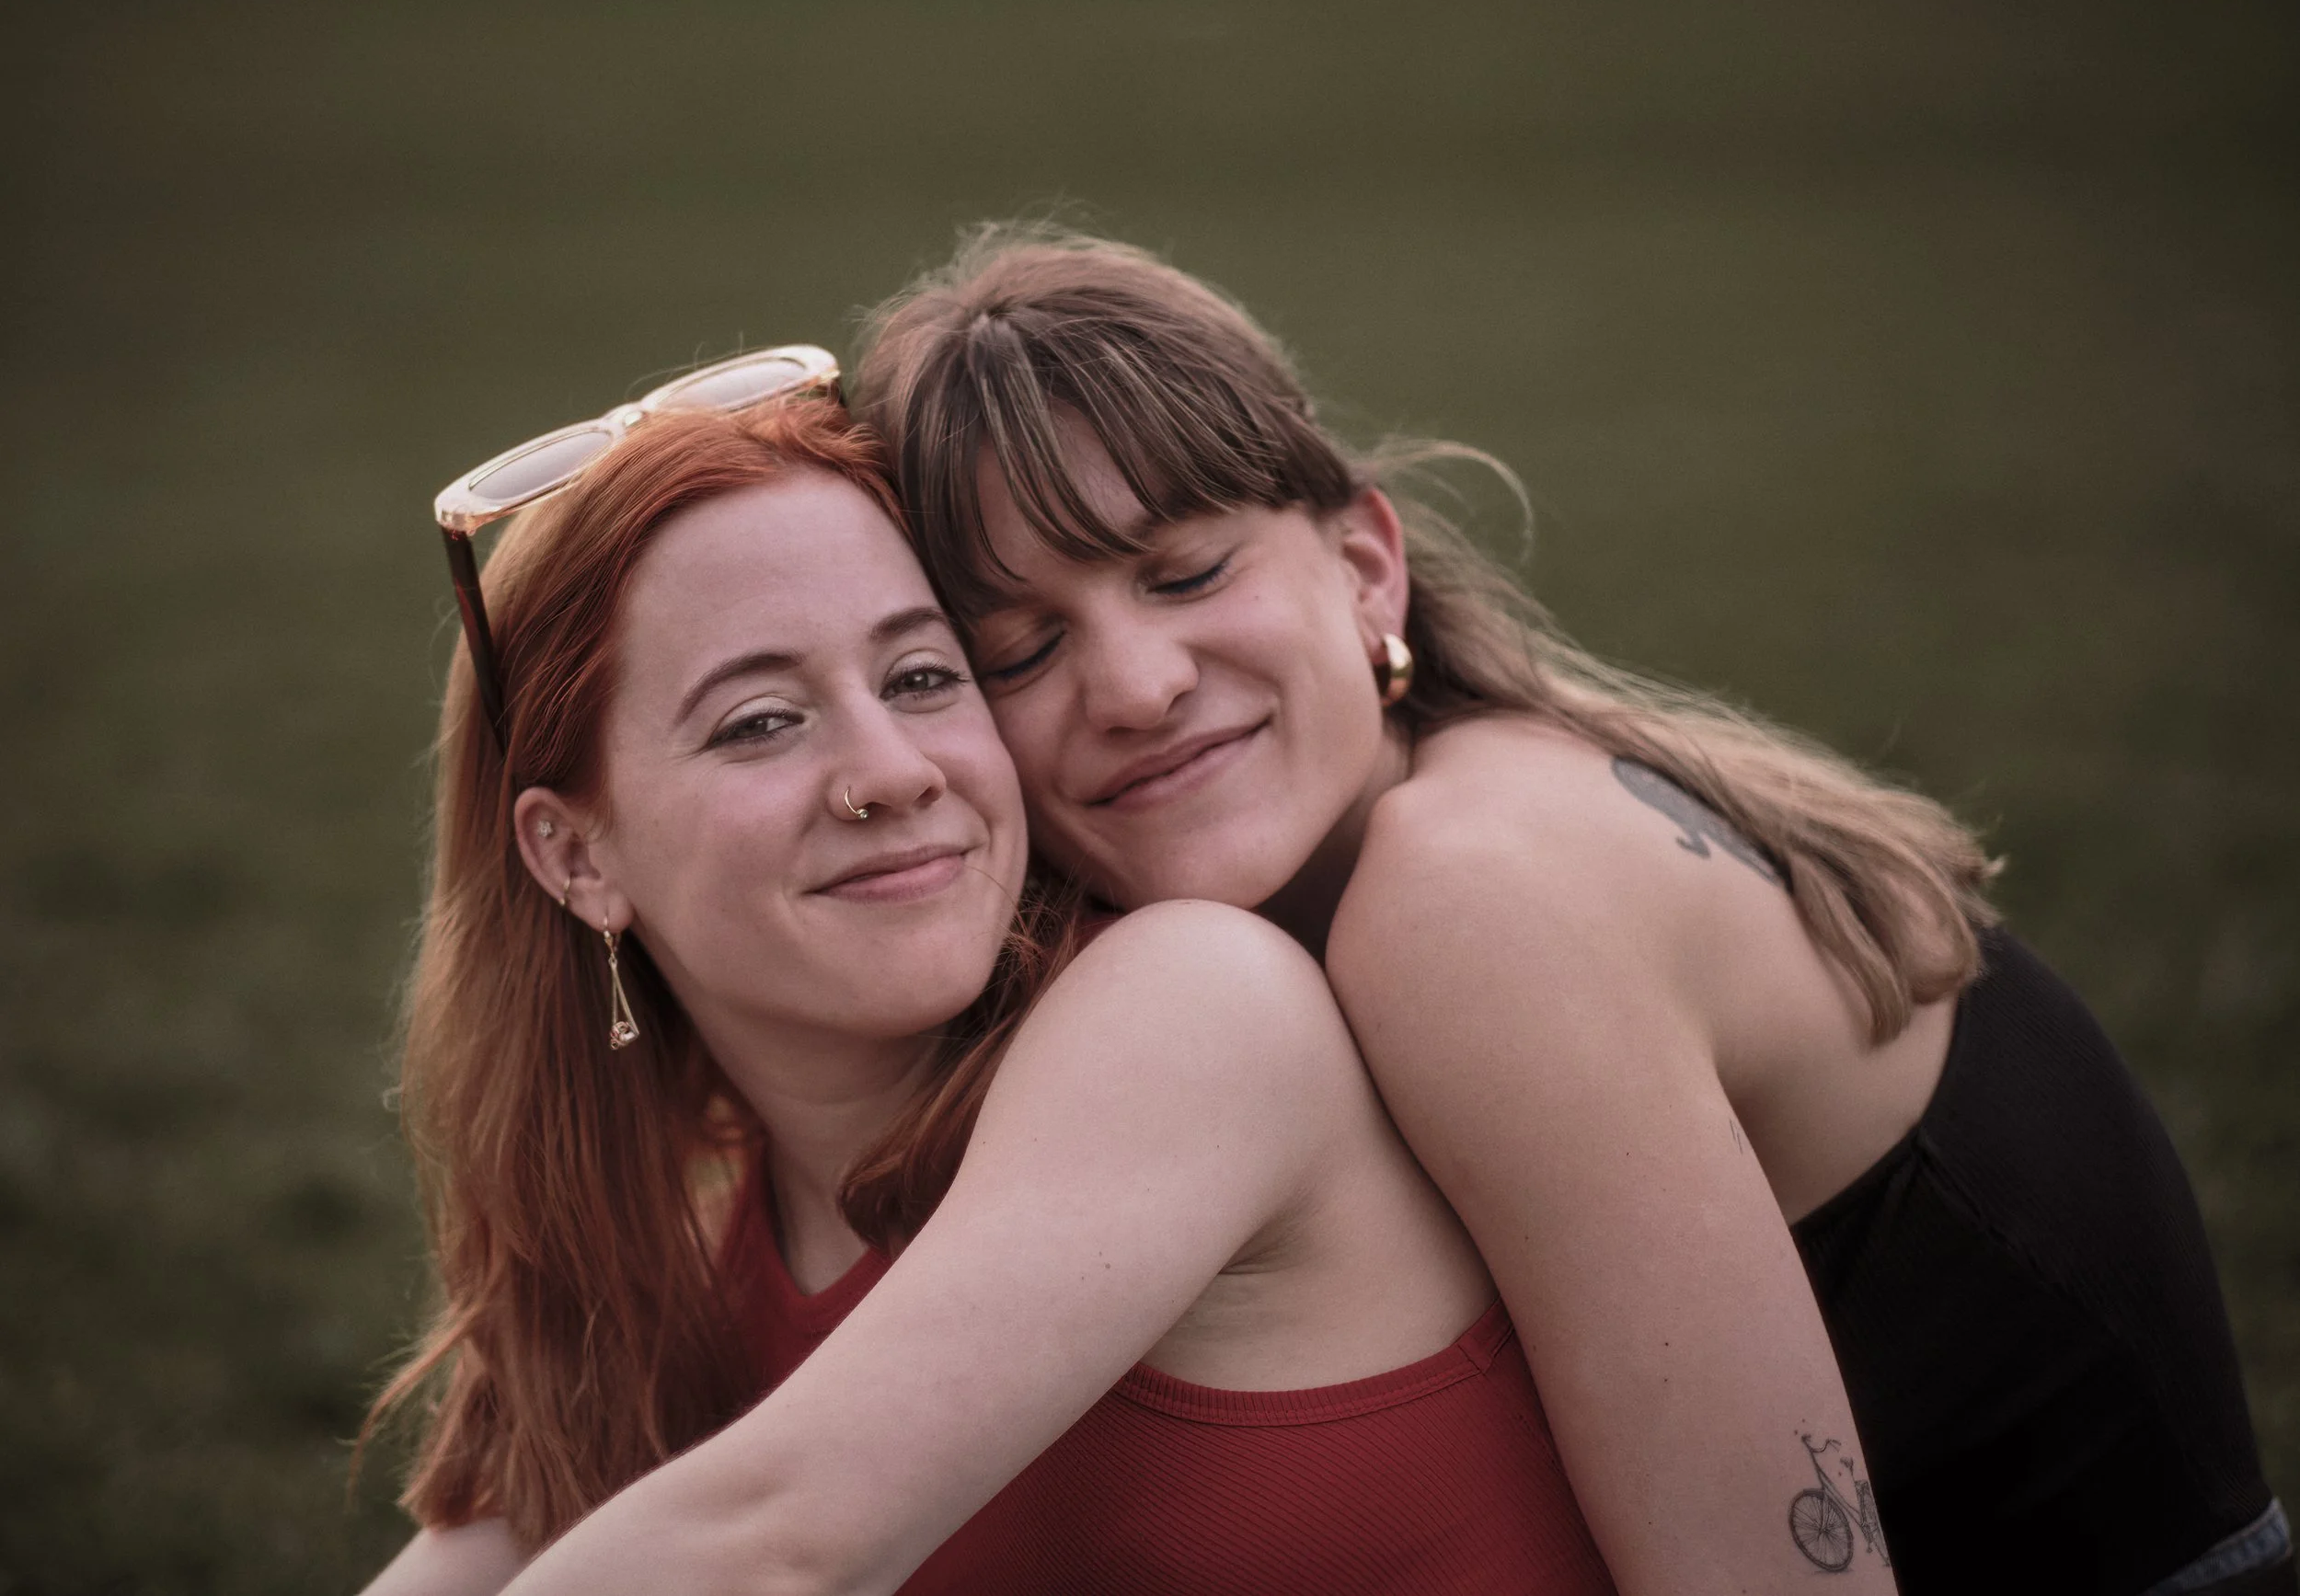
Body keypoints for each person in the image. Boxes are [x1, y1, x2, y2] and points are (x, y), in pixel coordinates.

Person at [854, 228, 2295, 1596]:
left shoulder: (1471, 899)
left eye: (1188, 573)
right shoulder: (1356, 873)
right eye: (1021, 649)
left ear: (1366, 567)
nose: (1136, 684)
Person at [360, 384, 1625, 1596]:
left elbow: (776, 1543)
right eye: (759, 721)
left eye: (921, 678)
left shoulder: (1198, 1011)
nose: (891, 772)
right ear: (577, 854)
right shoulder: (698, 1264)